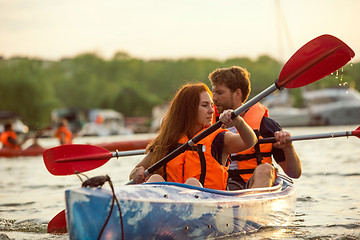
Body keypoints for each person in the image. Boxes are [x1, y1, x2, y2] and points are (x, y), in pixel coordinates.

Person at [129, 82, 257, 190]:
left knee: (192, 183)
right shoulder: (166, 142)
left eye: (211, 105)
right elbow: (136, 171)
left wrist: (239, 122)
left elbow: (250, 141)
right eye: (205, 105)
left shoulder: (218, 139)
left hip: (209, 207)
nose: (212, 111)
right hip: (170, 207)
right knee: (155, 179)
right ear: (189, 110)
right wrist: (136, 173)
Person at [209, 66, 302, 190]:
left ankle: (251, 207)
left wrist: (288, 147)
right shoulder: (207, 123)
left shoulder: (266, 126)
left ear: (237, 93)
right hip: (217, 186)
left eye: (219, 93)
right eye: (213, 92)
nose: (214, 98)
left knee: (265, 169)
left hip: (252, 185)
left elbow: (294, 173)